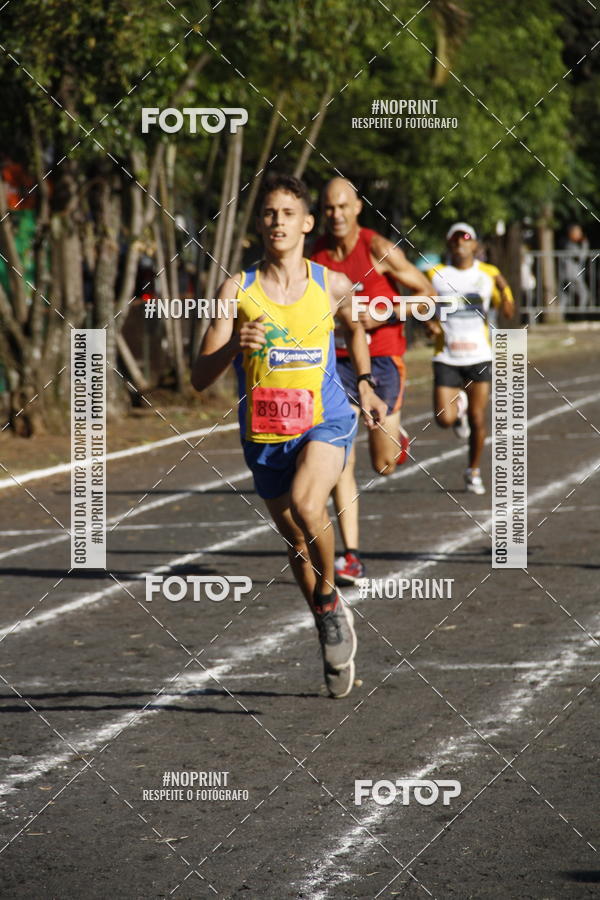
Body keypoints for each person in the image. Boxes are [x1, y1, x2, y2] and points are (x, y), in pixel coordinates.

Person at [192, 173, 387, 698]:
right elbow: (198, 376)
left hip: (325, 419)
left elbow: (355, 328)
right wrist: (235, 347)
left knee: (308, 504)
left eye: (287, 213)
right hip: (265, 434)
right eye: (269, 214)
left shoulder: (331, 284)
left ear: (307, 223)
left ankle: (328, 598)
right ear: (261, 224)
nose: (277, 221)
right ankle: (326, 611)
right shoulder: (238, 289)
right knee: (295, 540)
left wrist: (365, 384)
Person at [311, 177, 433, 585]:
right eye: (329, 208)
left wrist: (383, 313)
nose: (336, 215)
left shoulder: (378, 248)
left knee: (383, 465)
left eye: (343, 206)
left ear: (358, 207)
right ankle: (352, 556)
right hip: (336, 365)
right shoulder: (315, 257)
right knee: (339, 457)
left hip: (381, 361)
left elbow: (428, 296)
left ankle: (396, 441)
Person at [426, 222, 514, 495]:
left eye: (466, 238)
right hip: (447, 355)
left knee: (478, 418)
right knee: (443, 418)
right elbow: (421, 304)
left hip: (479, 354)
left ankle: (472, 471)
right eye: (454, 238)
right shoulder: (435, 274)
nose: (460, 242)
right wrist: (429, 322)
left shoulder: (489, 274)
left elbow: (508, 312)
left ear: (475, 244)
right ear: (448, 244)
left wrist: (504, 287)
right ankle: (457, 410)